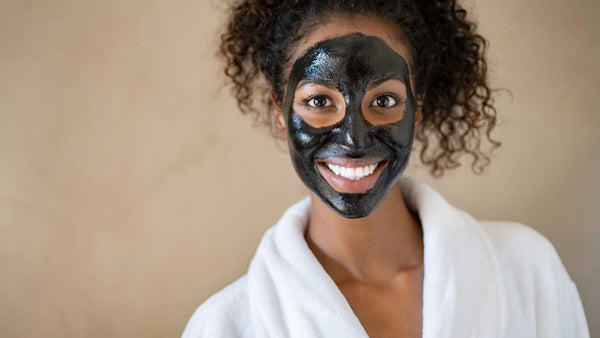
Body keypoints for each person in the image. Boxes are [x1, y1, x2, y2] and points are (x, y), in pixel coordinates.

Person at [183, 0, 590, 337]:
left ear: (420, 105)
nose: (355, 141)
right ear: (279, 109)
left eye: (383, 101)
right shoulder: (224, 326)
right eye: (320, 102)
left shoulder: (527, 271)